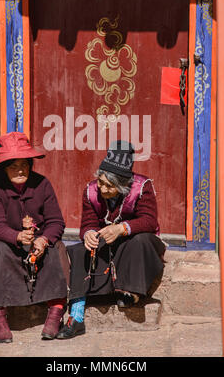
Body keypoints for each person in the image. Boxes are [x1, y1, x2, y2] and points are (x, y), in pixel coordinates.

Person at [56, 140, 166, 339]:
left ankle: (129, 292)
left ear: (123, 186)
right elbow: (87, 223)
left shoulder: (142, 187)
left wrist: (122, 228)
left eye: (110, 185)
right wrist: (88, 233)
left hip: (139, 239)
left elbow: (149, 221)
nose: (103, 189)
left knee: (137, 242)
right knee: (80, 250)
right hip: (107, 240)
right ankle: (77, 316)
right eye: (101, 182)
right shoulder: (91, 191)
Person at [0, 132, 69, 343]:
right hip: (0, 241)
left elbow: (55, 222)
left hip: (36, 242)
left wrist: (43, 240)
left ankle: (56, 312)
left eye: (24, 164)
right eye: (13, 165)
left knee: (56, 248)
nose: (20, 170)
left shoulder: (42, 184)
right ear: (3, 168)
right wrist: (18, 236)